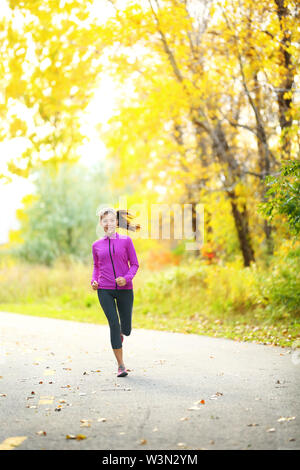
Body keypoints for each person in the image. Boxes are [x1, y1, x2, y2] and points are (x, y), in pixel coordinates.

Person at [91, 207, 140, 377]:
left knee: (125, 329)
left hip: (125, 289)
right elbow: (96, 266)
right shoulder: (96, 245)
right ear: (101, 223)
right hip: (104, 289)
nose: (109, 223)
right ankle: (121, 365)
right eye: (105, 221)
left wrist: (126, 278)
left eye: (112, 220)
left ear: (117, 222)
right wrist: (94, 280)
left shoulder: (126, 241)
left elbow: (134, 264)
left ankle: (122, 332)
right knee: (113, 324)